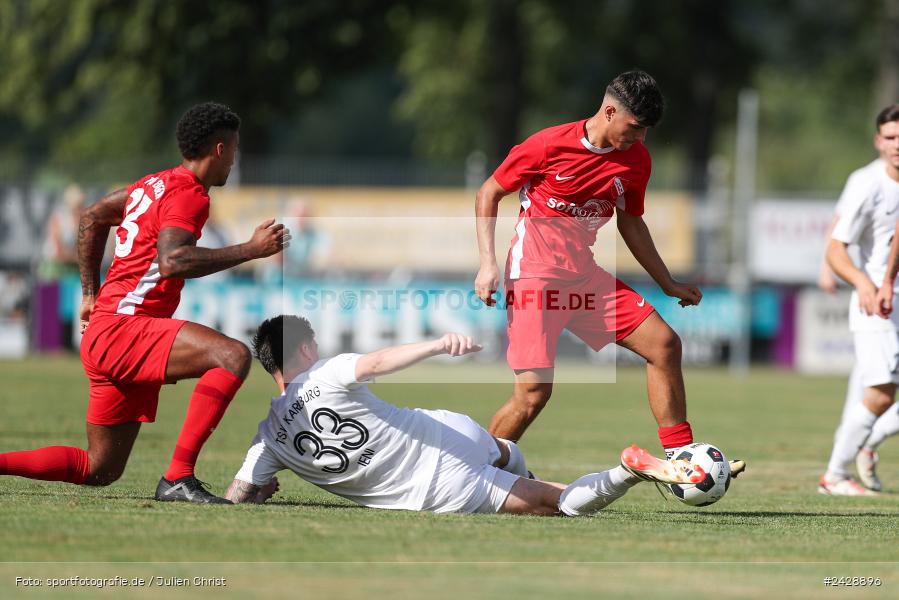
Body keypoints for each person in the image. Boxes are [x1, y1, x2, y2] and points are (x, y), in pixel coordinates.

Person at [0, 102, 290, 503]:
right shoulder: (189, 194)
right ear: (220, 150)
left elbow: (91, 218)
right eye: (235, 150)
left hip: (108, 330)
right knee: (233, 356)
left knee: (100, 469)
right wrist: (250, 249)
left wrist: (89, 293)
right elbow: (172, 262)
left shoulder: (152, 184)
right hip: (125, 329)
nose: (235, 160)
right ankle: (178, 478)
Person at [224, 315, 710, 515]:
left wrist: (259, 493)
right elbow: (373, 363)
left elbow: (240, 495)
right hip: (446, 430)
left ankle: (624, 473)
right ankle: (519, 464)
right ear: (307, 346)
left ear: (270, 366)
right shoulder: (328, 371)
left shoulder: (267, 440)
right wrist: (438, 343)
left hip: (433, 487)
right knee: (503, 452)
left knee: (553, 503)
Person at [474, 70, 701, 457]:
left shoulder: (636, 161)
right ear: (609, 112)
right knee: (532, 395)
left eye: (647, 130)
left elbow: (631, 221)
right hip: (535, 278)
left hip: (583, 279)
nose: (641, 138)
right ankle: (472, 466)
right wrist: (487, 263)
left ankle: (682, 457)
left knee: (664, 344)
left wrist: (667, 283)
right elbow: (489, 191)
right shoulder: (547, 145)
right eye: (635, 127)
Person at [819, 104, 899, 496]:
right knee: (881, 391)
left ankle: (866, 442)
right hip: (877, 305)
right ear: (878, 141)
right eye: (891, 138)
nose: (897, 145)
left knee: (874, 395)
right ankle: (835, 474)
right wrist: (864, 282)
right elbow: (838, 244)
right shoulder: (868, 183)